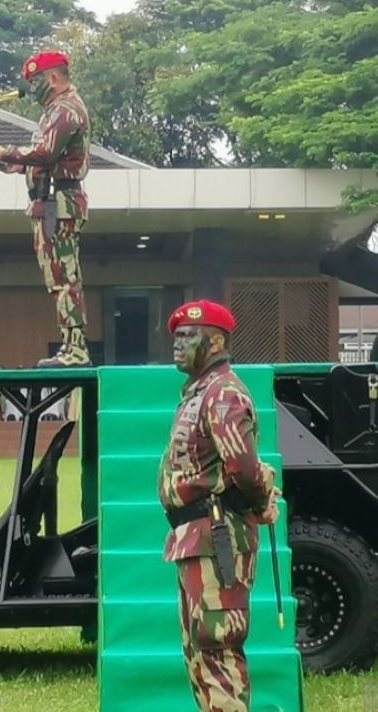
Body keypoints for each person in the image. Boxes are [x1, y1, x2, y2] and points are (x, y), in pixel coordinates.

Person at [158, 300, 279, 712]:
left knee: (217, 645)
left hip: (218, 538)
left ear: (215, 342)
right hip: (195, 537)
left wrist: (263, 501)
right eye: (175, 337)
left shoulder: (223, 393)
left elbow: (243, 466)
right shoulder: (200, 391)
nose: (177, 344)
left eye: (187, 337)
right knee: (199, 650)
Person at [0, 50, 93, 368]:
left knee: (65, 277)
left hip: (60, 203)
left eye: (35, 80)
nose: (32, 87)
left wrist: (7, 151)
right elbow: (37, 160)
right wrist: (4, 160)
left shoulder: (67, 109)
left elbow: (45, 152)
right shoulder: (54, 111)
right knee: (57, 278)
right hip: (47, 201)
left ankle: (77, 349)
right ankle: (70, 346)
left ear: (53, 78)